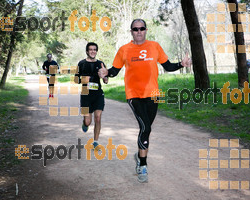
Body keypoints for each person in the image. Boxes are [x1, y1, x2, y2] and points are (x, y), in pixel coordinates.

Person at [98, 19, 191, 183]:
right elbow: (114, 71)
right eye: (135, 29)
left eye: (141, 28)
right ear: (131, 31)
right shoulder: (124, 50)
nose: (139, 31)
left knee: (146, 130)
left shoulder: (154, 46)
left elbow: (167, 66)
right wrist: (106, 73)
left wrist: (181, 64)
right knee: (145, 126)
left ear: (146, 30)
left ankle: (140, 152)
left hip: (153, 94)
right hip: (134, 94)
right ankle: (142, 165)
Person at [75, 42, 108, 149]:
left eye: (95, 49)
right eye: (91, 49)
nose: (93, 51)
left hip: (98, 94)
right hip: (85, 95)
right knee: (88, 121)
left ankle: (96, 142)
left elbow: (106, 81)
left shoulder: (101, 63)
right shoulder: (81, 63)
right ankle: (85, 123)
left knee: (98, 118)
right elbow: (76, 80)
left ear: (96, 51)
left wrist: (104, 76)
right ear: (87, 51)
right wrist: (84, 79)